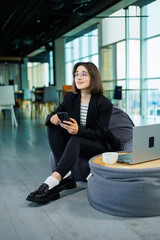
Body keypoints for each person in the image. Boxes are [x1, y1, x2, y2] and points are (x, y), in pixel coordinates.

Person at [26, 62, 120, 204]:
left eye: (84, 74)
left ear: (93, 78)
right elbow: (49, 117)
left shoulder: (103, 103)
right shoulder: (70, 98)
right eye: (76, 74)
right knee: (52, 126)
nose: (78, 78)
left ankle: (53, 180)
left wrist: (78, 130)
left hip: (99, 143)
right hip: (79, 139)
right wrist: (53, 118)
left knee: (76, 139)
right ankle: (67, 176)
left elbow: (100, 133)